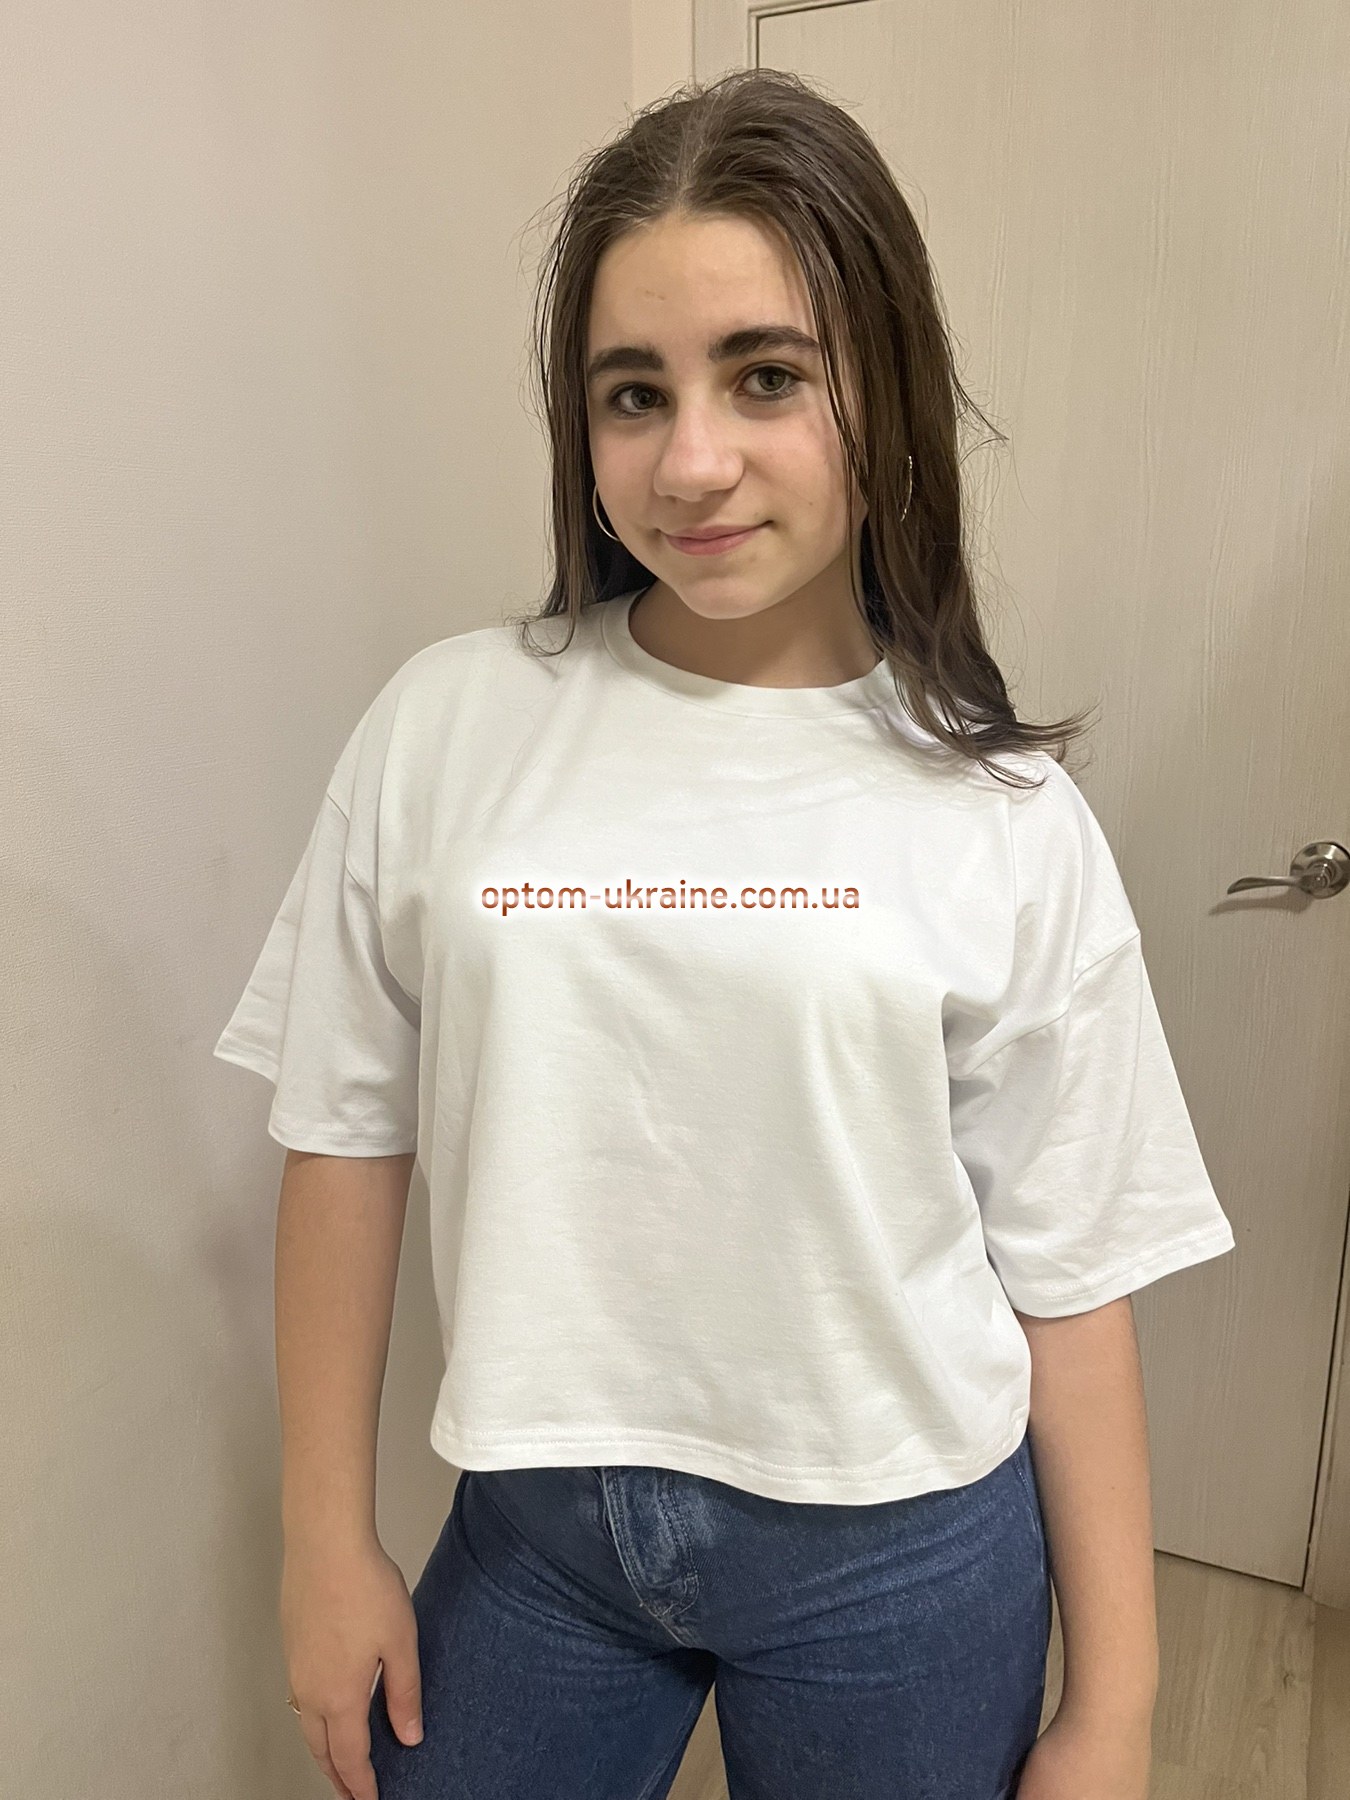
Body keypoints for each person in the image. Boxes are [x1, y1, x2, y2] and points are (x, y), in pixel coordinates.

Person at [214, 68, 1235, 1800]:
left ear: (881, 390)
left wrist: (1115, 1706)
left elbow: (1070, 1277)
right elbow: (344, 1129)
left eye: (766, 376)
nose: (691, 462)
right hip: (539, 1529)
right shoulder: (448, 722)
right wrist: (325, 1541)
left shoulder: (999, 813)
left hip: (899, 1551)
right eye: (635, 393)